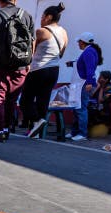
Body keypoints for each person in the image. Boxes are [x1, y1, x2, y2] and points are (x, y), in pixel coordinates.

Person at [0, 0, 35, 142]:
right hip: (20, 67)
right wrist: (29, 61)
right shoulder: (27, 16)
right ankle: (6, 129)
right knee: (11, 100)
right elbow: (32, 41)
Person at [20, 2, 67, 138]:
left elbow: (30, 53)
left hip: (38, 70)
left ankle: (36, 121)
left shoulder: (41, 32)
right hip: (54, 70)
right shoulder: (64, 33)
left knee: (25, 100)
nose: (40, 20)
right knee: (43, 100)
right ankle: (37, 132)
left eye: (42, 17)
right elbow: (61, 54)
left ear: (48, 17)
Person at [69, 31, 102, 141]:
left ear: (83, 42)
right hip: (80, 83)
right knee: (76, 108)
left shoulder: (88, 52)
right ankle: (75, 132)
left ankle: (82, 133)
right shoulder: (89, 51)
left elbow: (90, 68)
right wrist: (72, 63)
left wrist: (89, 82)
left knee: (81, 108)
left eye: (79, 42)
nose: (78, 43)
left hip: (83, 84)